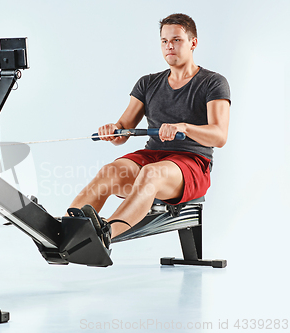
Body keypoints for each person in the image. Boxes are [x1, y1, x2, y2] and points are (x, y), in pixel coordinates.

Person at [67, 13, 230, 249]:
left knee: (150, 174)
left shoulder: (213, 82)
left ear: (193, 43)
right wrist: (113, 131)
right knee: (109, 172)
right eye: (164, 41)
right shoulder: (148, 83)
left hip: (192, 162)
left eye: (176, 40)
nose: (169, 46)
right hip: (152, 157)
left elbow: (219, 136)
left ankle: (103, 237)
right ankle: (66, 231)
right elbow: (123, 131)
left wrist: (183, 127)